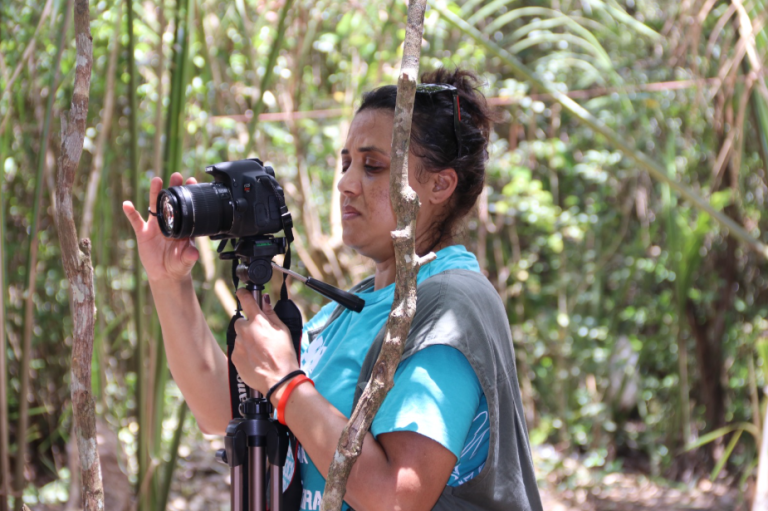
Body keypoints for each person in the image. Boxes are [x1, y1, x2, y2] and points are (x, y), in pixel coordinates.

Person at [122, 67, 543, 511]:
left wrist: (286, 384)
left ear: (439, 184)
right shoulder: (351, 310)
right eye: (346, 164)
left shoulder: (450, 305)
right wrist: (169, 282)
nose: (345, 183)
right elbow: (219, 409)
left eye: (372, 166)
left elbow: (394, 498)